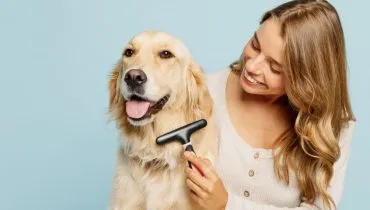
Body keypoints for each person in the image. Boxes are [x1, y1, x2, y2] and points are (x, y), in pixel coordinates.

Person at [183, 0, 356, 209]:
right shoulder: (200, 95)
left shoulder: (332, 126)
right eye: (255, 45)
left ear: (306, 81)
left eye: (274, 67)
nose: (252, 66)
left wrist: (228, 205)